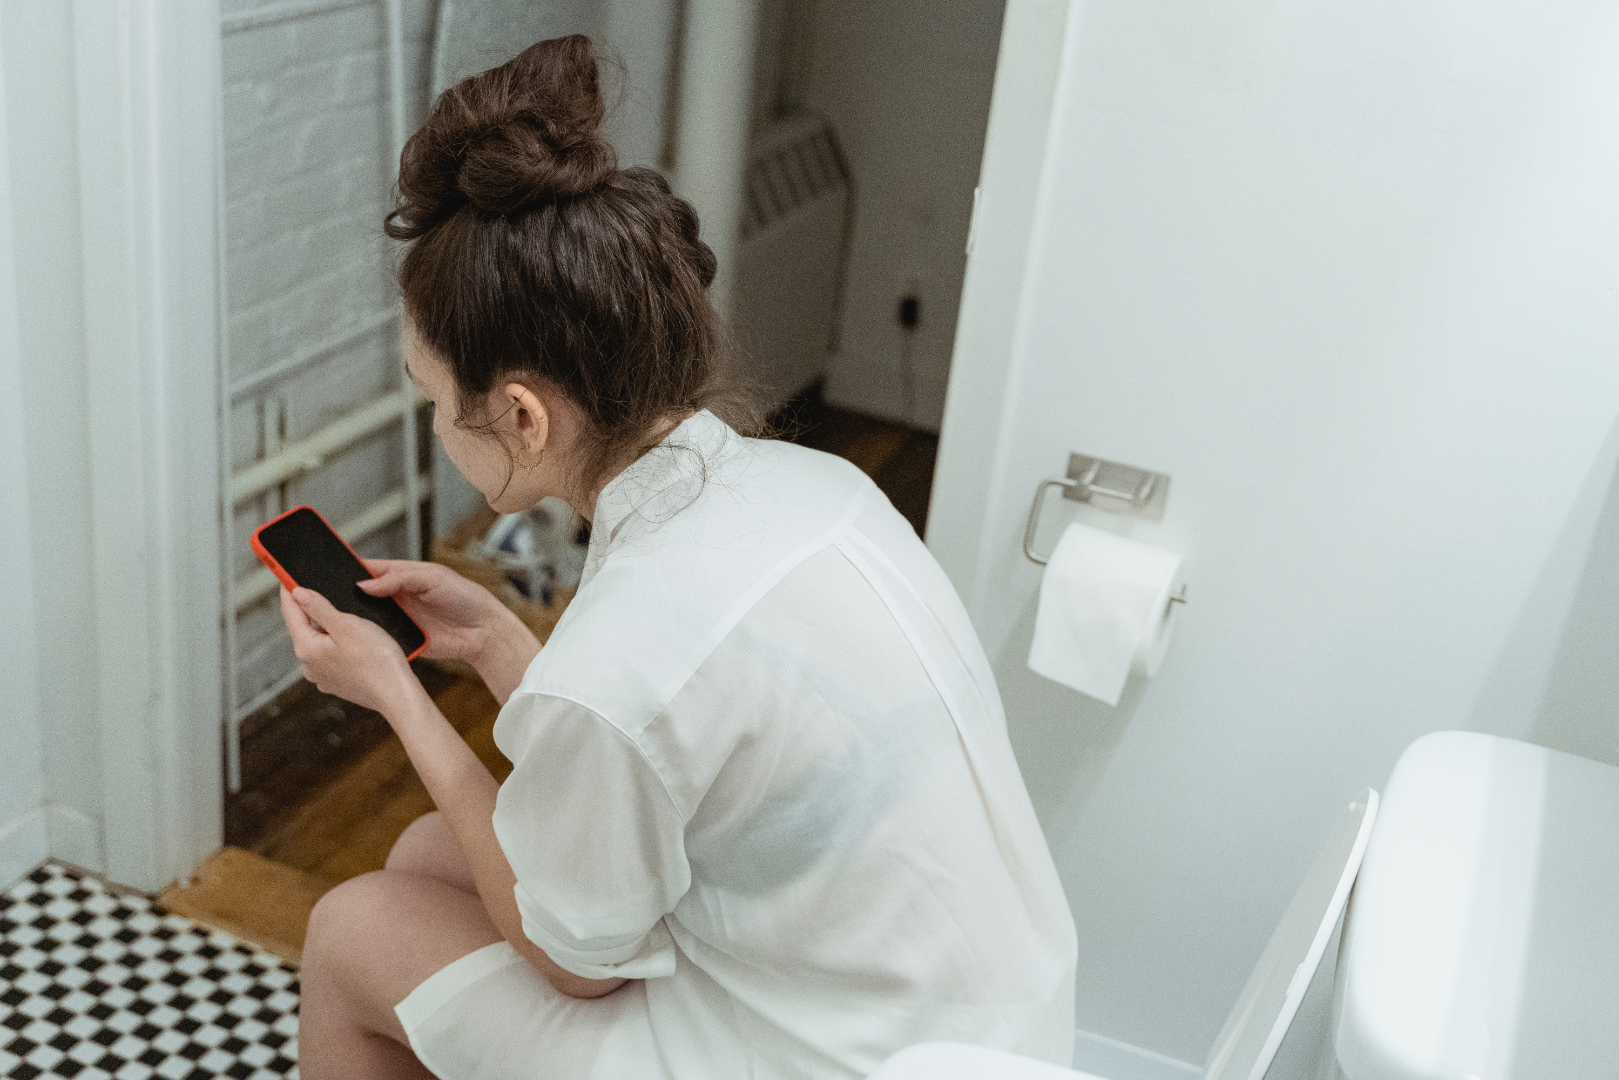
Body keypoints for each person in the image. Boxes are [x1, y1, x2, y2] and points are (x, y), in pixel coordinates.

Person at [280, 33, 1077, 1080]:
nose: (434, 425)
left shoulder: (622, 653)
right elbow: (676, 739)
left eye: (433, 397)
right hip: (970, 1024)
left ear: (520, 416)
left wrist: (398, 696)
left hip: (834, 1060)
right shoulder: (815, 490)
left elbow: (575, 967)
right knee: (431, 853)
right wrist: (502, 644)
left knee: (351, 929)